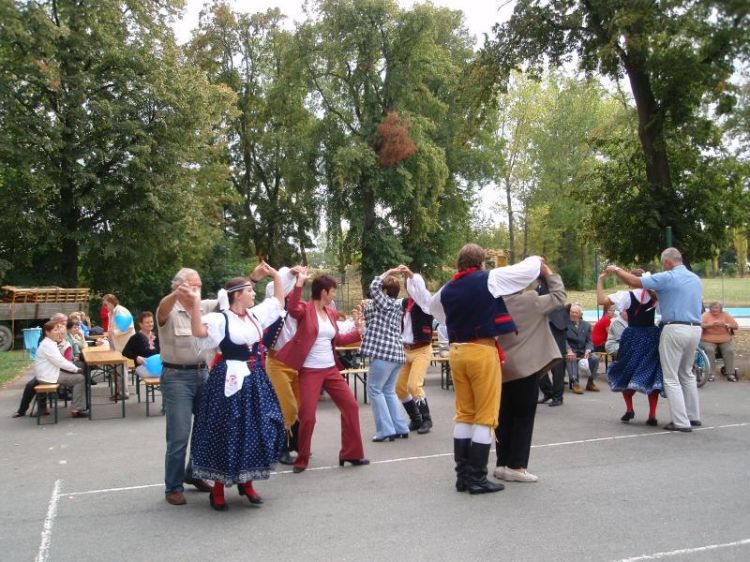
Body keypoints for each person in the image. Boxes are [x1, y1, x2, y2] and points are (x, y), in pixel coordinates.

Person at [430, 244, 541, 495]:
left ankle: (462, 476)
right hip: (481, 350)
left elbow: (433, 308)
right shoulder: (489, 279)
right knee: (486, 415)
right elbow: (527, 271)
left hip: (457, 352)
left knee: (464, 413)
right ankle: (477, 477)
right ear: (481, 263)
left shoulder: (448, 288)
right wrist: (536, 259)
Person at [156, 265, 266, 506]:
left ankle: (194, 473)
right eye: (193, 285)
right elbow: (162, 309)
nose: (197, 289)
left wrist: (253, 279)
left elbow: (235, 297)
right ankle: (173, 486)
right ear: (179, 286)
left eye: (199, 285)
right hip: (177, 377)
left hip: (204, 373)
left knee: (209, 428)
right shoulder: (169, 308)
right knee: (179, 434)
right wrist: (177, 293)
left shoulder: (205, 306)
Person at [188, 269, 286, 511]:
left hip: (254, 379)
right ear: (237, 295)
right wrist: (194, 304)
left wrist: (276, 276)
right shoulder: (221, 319)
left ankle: (247, 483)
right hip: (228, 380)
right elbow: (199, 332)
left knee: (256, 428)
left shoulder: (254, 315)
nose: (254, 294)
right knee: (226, 430)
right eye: (250, 290)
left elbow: (278, 303)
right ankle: (218, 490)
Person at [275, 271, 368, 473]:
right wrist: (299, 283)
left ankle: (351, 454)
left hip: (330, 369)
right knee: (308, 416)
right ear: (324, 292)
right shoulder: (304, 309)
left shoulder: (331, 313)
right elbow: (292, 308)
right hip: (310, 371)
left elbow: (338, 339)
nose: (334, 294)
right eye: (332, 291)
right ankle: (302, 458)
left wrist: (358, 332)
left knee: (351, 406)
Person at [608, 247, 703, 432]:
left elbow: (634, 281)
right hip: (695, 328)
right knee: (686, 373)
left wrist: (616, 269)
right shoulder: (695, 279)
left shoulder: (668, 277)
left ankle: (681, 422)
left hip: (675, 327)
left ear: (667, 262)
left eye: (662, 263)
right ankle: (693, 416)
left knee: (671, 377)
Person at [494, 260, 565, 483]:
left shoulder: (495, 303)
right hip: (526, 367)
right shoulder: (530, 300)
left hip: (502, 367)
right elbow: (559, 297)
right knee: (523, 417)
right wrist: (547, 271)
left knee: (504, 416)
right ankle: (516, 466)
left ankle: (501, 463)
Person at [597, 269, 662, 426]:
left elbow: (601, 300)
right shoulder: (655, 295)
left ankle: (629, 408)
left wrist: (600, 280)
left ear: (630, 281)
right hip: (652, 335)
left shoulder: (627, 296)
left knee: (627, 370)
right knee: (651, 372)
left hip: (633, 337)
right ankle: (652, 414)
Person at [360, 268, 410, 442]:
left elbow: (374, 285)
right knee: (388, 391)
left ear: (386, 291)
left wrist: (390, 271)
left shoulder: (385, 302)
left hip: (384, 354)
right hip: (397, 354)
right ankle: (400, 427)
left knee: (374, 390)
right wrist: (366, 307)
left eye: (382, 290)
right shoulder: (395, 306)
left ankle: (385, 430)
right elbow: (372, 317)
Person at [263, 266, 303, 465]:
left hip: (296, 362)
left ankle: (296, 443)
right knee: (287, 406)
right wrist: (291, 273)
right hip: (277, 361)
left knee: (299, 405)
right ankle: (282, 448)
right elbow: (277, 285)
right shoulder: (273, 302)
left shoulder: (298, 306)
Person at [396, 266, 434, 434]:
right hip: (407, 350)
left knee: (413, 385)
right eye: (408, 284)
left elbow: (421, 291)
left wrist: (412, 275)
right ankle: (415, 418)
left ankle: (427, 419)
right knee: (400, 388)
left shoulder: (426, 302)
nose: (410, 287)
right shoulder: (405, 303)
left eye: (412, 284)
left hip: (421, 350)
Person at [12, 313, 69, 418]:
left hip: (60, 368)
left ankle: (41, 408)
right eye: (62, 322)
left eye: (65, 322)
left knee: (39, 381)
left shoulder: (65, 334)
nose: (64, 324)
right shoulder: (46, 336)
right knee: (31, 384)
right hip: (49, 368)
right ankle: (23, 410)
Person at [33, 320, 88, 417]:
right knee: (80, 379)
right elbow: (60, 362)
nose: (58, 332)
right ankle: (76, 410)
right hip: (48, 377)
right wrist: (76, 369)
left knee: (79, 375)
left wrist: (74, 369)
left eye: (58, 330)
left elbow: (60, 361)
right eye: (55, 330)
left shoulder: (48, 343)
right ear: (47, 332)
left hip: (48, 374)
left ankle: (79, 406)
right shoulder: (47, 345)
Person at [537, 281, 568, 407]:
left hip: (556, 326)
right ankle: (548, 392)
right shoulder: (534, 287)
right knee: (538, 365)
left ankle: (558, 397)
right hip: (540, 328)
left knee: (557, 365)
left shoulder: (550, 282)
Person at [102, 294, 136, 401]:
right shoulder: (111, 312)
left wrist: (114, 332)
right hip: (116, 344)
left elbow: (129, 327)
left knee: (121, 368)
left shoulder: (121, 311)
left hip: (124, 344)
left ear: (112, 302)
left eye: (106, 304)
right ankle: (119, 391)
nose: (104, 306)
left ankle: (124, 393)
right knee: (116, 369)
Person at [565, 304, 600, 393]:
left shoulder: (586, 325)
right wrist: (569, 350)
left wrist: (588, 350)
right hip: (571, 350)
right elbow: (563, 340)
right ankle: (575, 383)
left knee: (595, 358)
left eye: (576, 313)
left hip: (583, 350)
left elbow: (589, 341)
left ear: (580, 314)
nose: (573, 314)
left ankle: (590, 382)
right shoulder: (564, 324)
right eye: (572, 312)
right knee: (571, 357)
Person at [700, 302, 739, 381]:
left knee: (729, 350)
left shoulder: (726, 315)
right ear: (710, 309)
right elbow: (699, 325)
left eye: (716, 308)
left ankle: (730, 373)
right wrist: (710, 325)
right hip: (708, 339)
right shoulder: (705, 315)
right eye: (712, 308)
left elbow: (735, 326)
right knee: (709, 350)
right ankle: (711, 374)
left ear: (720, 309)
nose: (714, 310)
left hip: (724, 339)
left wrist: (726, 324)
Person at [122, 311, 160, 380]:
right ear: (141, 324)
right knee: (164, 375)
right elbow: (125, 352)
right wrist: (136, 357)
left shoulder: (156, 336)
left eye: (151, 322)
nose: (150, 324)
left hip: (157, 365)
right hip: (142, 367)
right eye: (147, 322)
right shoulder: (135, 338)